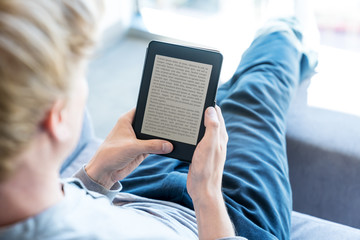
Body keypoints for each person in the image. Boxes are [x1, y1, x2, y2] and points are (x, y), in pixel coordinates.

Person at [0, 0, 316, 239]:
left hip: (130, 191)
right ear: (56, 116)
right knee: (257, 91)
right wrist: (206, 195)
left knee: (209, 100)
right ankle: (286, 27)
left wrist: (96, 176)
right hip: (229, 218)